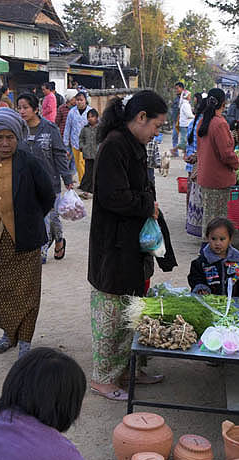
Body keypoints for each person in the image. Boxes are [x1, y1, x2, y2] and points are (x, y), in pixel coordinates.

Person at [88, 90, 177, 401]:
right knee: (112, 315)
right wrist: (146, 205)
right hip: (113, 246)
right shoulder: (114, 145)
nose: (157, 132)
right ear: (140, 118)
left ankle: (127, 370)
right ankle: (103, 379)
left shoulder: (133, 144)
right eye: (156, 126)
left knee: (131, 310)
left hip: (131, 244)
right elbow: (112, 197)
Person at [0, 108, 55, 357]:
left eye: (10, 137)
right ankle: (9, 333)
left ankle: (26, 341)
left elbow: (47, 195)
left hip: (24, 239)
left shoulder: (30, 163)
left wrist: (29, 219)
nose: (5, 143)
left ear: (18, 137)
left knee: (27, 291)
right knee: (1, 288)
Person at [17, 92, 74, 263]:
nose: (21, 111)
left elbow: (59, 155)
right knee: (37, 218)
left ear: (36, 109)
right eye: (19, 108)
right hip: (27, 184)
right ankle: (45, 247)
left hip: (50, 183)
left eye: (25, 107)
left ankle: (52, 244)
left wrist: (68, 179)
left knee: (51, 216)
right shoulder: (18, 131)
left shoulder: (50, 129)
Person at [197, 87, 239, 236]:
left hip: (205, 178)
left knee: (208, 218)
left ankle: (207, 251)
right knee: (217, 221)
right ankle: (211, 254)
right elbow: (226, 154)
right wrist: (237, 162)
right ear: (224, 103)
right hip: (218, 180)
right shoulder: (220, 124)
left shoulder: (203, 121)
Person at [188, 217, 239, 297]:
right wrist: (201, 289)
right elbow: (195, 279)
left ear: (230, 239)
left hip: (235, 306)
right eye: (213, 239)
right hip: (210, 304)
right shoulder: (201, 263)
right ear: (207, 238)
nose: (217, 243)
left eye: (222, 239)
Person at [185, 98, 206, 237]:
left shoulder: (193, 123)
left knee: (190, 190)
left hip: (190, 162)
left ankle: (189, 217)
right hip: (199, 162)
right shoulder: (204, 124)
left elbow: (188, 141)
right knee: (198, 192)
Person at [63, 91, 91, 190]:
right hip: (75, 142)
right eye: (77, 100)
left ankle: (87, 183)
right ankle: (83, 183)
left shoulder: (90, 112)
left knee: (84, 163)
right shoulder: (72, 112)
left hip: (87, 143)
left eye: (81, 100)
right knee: (78, 165)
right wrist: (65, 142)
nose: (79, 102)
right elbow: (68, 127)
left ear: (85, 101)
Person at [78, 107, 99, 198]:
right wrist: (83, 147)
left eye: (92, 116)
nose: (90, 118)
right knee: (88, 172)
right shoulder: (85, 128)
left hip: (98, 155)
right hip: (88, 155)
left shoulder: (100, 128)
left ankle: (95, 191)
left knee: (96, 173)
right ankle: (86, 191)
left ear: (97, 117)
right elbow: (81, 138)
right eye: (88, 117)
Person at [170, 81, 184, 156]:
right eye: (175, 89)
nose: (176, 90)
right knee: (174, 136)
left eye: (177, 88)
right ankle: (175, 152)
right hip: (175, 120)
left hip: (181, 120)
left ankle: (187, 153)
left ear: (181, 88)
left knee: (184, 138)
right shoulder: (176, 98)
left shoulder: (184, 98)